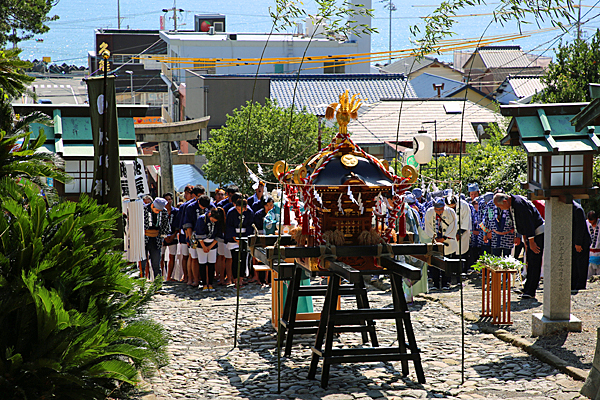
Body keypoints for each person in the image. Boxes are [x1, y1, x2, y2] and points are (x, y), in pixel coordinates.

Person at [493, 193, 544, 300]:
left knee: (534, 261)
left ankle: (531, 290)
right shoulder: (513, 204)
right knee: (529, 260)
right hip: (530, 235)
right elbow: (519, 224)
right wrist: (524, 239)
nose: (501, 209)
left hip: (537, 233)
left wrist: (531, 241)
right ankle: (527, 287)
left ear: (505, 201)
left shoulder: (519, 204)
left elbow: (528, 223)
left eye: (500, 206)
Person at [424, 197, 458, 290]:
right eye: (436, 209)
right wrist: (434, 238)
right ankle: (435, 283)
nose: (438, 212)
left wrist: (444, 237)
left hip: (447, 241)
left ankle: (446, 283)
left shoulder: (450, 212)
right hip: (434, 241)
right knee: (434, 262)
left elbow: (453, 225)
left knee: (446, 263)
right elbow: (427, 226)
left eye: (440, 209)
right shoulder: (429, 212)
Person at [183, 194, 212, 287]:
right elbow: (187, 224)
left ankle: (207, 281)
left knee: (207, 259)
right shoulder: (190, 207)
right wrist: (190, 238)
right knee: (193, 257)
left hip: (207, 235)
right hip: (194, 235)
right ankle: (193, 279)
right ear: (198, 201)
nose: (203, 208)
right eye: (202, 206)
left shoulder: (211, 206)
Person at [225, 198, 254, 288]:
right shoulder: (231, 212)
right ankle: (235, 280)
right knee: (235, 259)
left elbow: (250, 226)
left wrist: (244, 238)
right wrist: (235, 238)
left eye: (241, 209)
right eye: (238, 209)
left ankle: (241, 278)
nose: (239, 211)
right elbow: (229, 226)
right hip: (234, 238)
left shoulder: (249, 212)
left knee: (243, 258)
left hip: (244, 237)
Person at [195, 207, 225, 291]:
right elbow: (198, 232)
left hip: (212, 244)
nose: (214, 221)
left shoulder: (218, 221)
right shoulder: (202, 219)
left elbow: (218, 235)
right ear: (210, 215)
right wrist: (204, 246)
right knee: (202, 264)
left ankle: (211, 283)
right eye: (213, 219)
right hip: (202, 244)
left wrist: (210, 246)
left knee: (212, 264)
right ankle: (204, 284)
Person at [142, 197, 170, 279]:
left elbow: (165, 226)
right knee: (142, 263)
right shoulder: (143, 210)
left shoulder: (164, 212)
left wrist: (162, 237)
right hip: (144, 238)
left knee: (156, 263)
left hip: (156, 239)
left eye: (159, 211)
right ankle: (141, 283)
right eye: (157, 210)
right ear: (153, 205)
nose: (158, 212)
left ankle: (158, 284)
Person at [445, 194, 471, 272]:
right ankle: (451, 273)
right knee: (449, 253)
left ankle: (461, 272)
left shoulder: (464, 205)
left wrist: (459, 233)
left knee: (460, 253)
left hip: (462, 233)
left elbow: (466, 220)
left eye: (453, 206)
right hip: (449, 234)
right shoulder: (444, 207)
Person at [572, 201, 591, 291]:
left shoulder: (577, 209)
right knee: (575, 264)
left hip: (581, 242)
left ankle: (580, 284)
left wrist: (578, 243)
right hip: (574, 241)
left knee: (581, 264)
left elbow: (580, 228)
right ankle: (574, 283)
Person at [162, 192, 179, 281]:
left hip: (173, 235)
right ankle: (161, 276)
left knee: (172, 256)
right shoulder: (160, 211)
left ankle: (169, 276)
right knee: (161, 256)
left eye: (169, 199)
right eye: (166, 199)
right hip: (162, 236)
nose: (168, 201)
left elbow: (177, 224)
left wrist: (173, 235)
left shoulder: (176, 211)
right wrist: (164, 236)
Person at [587, 211, 600, 278]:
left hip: (599, 252)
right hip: (590, 253)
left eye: (593, 222)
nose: (592, 224)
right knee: (588, 277)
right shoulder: (586, 223)